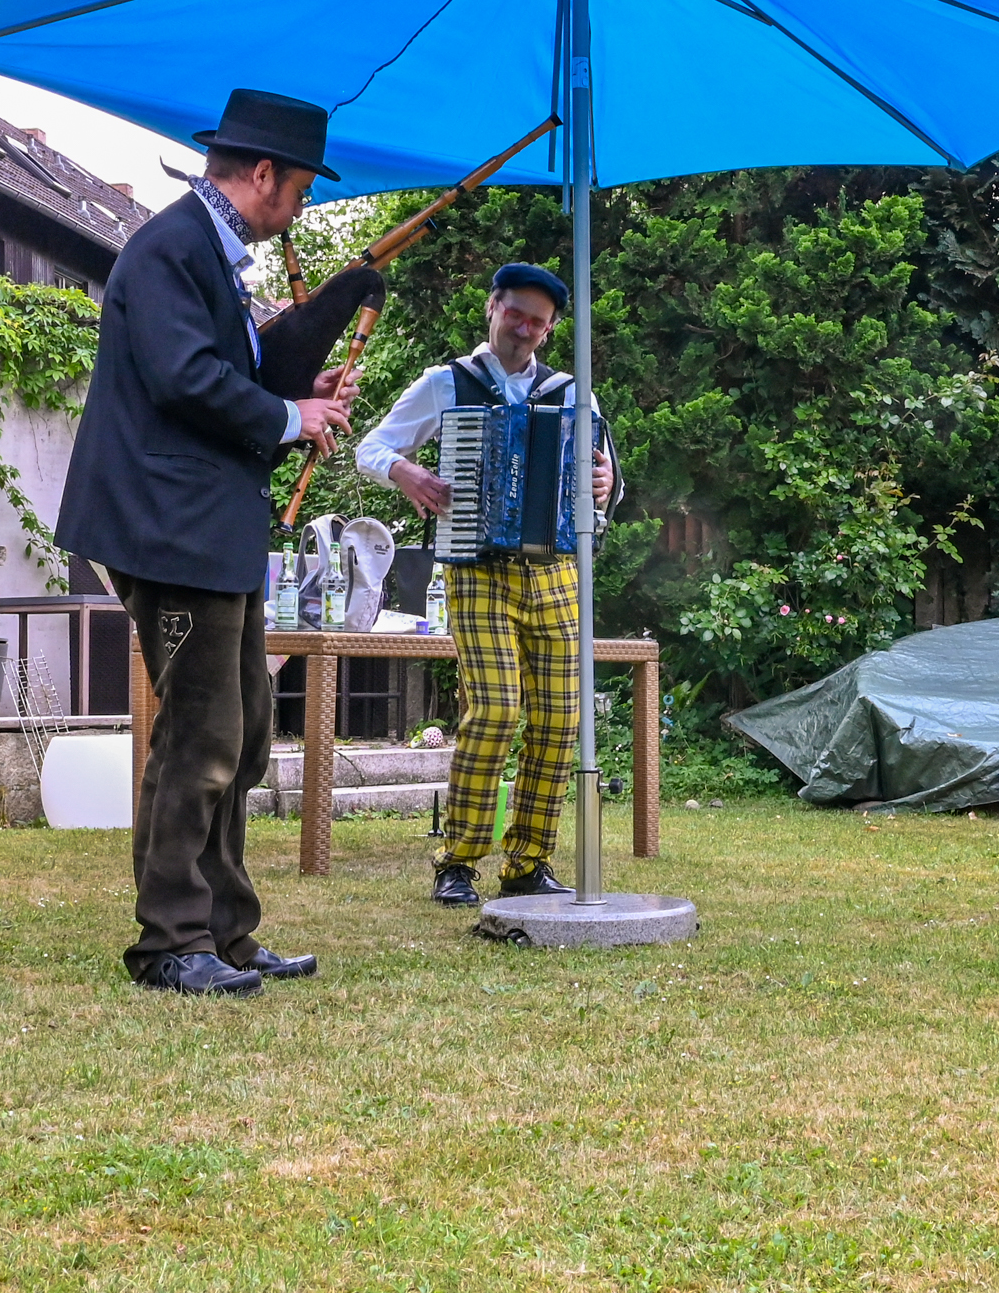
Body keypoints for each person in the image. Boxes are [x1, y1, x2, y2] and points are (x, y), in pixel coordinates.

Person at [57, 89, 374, 996]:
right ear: (263, 173)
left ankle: (227, 934)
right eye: (304, 187)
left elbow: (221, 370)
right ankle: (169, 942)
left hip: (212, 526)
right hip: (168, 528)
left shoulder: (211, 257)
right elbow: (184, 377)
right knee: (200, 732)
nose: (304, 206)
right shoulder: (169, 248)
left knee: (245, 730)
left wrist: (299, 387)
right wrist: (290, 412)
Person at [356, 264, 621, 906]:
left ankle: (529, 863)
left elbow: (604, 481)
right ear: (492, 308)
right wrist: (410, 475)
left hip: (556, 571)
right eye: (516, 314)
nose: (524, 329)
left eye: (538, 321)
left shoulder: (572, 394)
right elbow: (370, 448)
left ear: (550, 329)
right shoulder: (447, 383)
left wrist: (605, 491)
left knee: (561, 719)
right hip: (475, 569)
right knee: (497, 711)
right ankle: (459, 862)